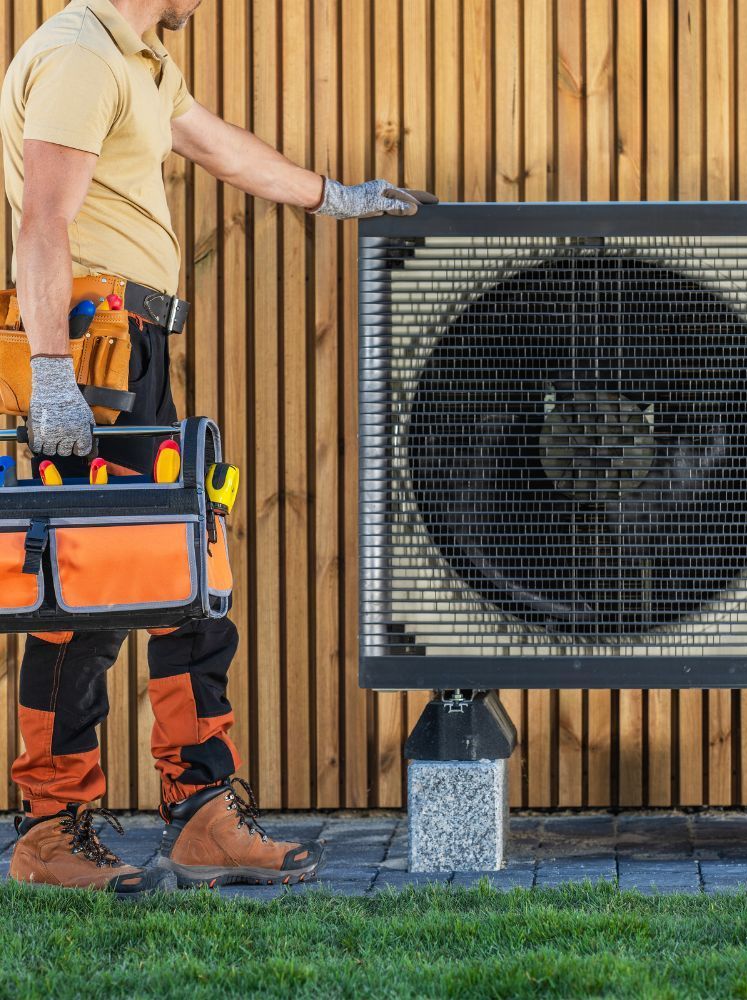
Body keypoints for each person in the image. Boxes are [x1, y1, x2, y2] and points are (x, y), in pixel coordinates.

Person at [0, 0, 435, 894]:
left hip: (133, 353)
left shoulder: (144, 59)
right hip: (88, 354)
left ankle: (200, 814)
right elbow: (41, 219)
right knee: (78, 599)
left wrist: (334, 196)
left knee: (187, 580)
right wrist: (50, 376)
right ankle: (49, 833)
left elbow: (219, 144)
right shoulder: (80, 58)